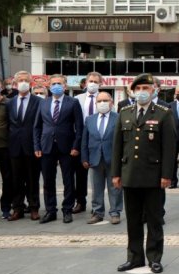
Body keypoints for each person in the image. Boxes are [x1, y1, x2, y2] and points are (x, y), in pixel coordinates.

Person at [112, 73, 176, 274]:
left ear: (153, 90)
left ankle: (154, 257)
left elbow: (169, 148)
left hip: (153, 176)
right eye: (138, 89)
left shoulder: (163, 113)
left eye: (145, 88)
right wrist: (116, 173)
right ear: (132, 92)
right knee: (133, 220)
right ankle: (134, 257)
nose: (141, 92)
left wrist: (167, 175)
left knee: (154, 219)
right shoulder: (125, 113)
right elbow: (117, 146)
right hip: (130, 174)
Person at [34, 74, 83, 224]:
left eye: (59, 83)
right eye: (53, 83)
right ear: (49, 86)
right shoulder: (43, 103)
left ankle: (67, 210)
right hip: (46, 146)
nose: (56, 86)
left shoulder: (73, 102)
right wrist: (37, 145)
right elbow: (37, 127)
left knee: (68, 180)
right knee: (48, 180)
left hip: (67, 147)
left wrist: (76, 146)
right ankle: (50, 211)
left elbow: (79, 127)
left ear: (65, 86)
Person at [81, 92, 122, 224]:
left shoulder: (119, 118)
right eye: (99, 101)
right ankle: (97, 212)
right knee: (96, 188)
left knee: (115, 187)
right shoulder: (90, 119)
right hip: (95, 158)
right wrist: (84, 158)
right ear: (96, 103)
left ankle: (115, 213)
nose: (102, 103)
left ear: (111, 102)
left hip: (113, 159)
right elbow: (85, 140)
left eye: (105, 100)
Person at [7, 71, 43, 221]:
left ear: (31, 83)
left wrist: (38, 145)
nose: (23, 83)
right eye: (20, 80)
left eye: (26, 80)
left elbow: (40, 125)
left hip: (32, 146)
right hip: (14, 146)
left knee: (32, 179)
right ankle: (18, 208)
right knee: (16, 180)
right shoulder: (10, 102)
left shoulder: (38, 101)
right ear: (15, 84)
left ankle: (34, 207)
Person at [73, 71, 104, 214]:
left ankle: (97, 204)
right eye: (90, 81)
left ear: (100, 84)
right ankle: (80, 201)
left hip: (98, 139)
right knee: (80, 174)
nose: (92, 84)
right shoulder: (77, 98)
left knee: (98, 175)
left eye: (96, 82)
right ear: (85, 83)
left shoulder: (104, 99)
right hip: (81, 139)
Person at [0, 76, 13, 219]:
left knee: (8, 179)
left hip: (6, 147)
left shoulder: (9, 104)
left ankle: (6, 207)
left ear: (1, 87)